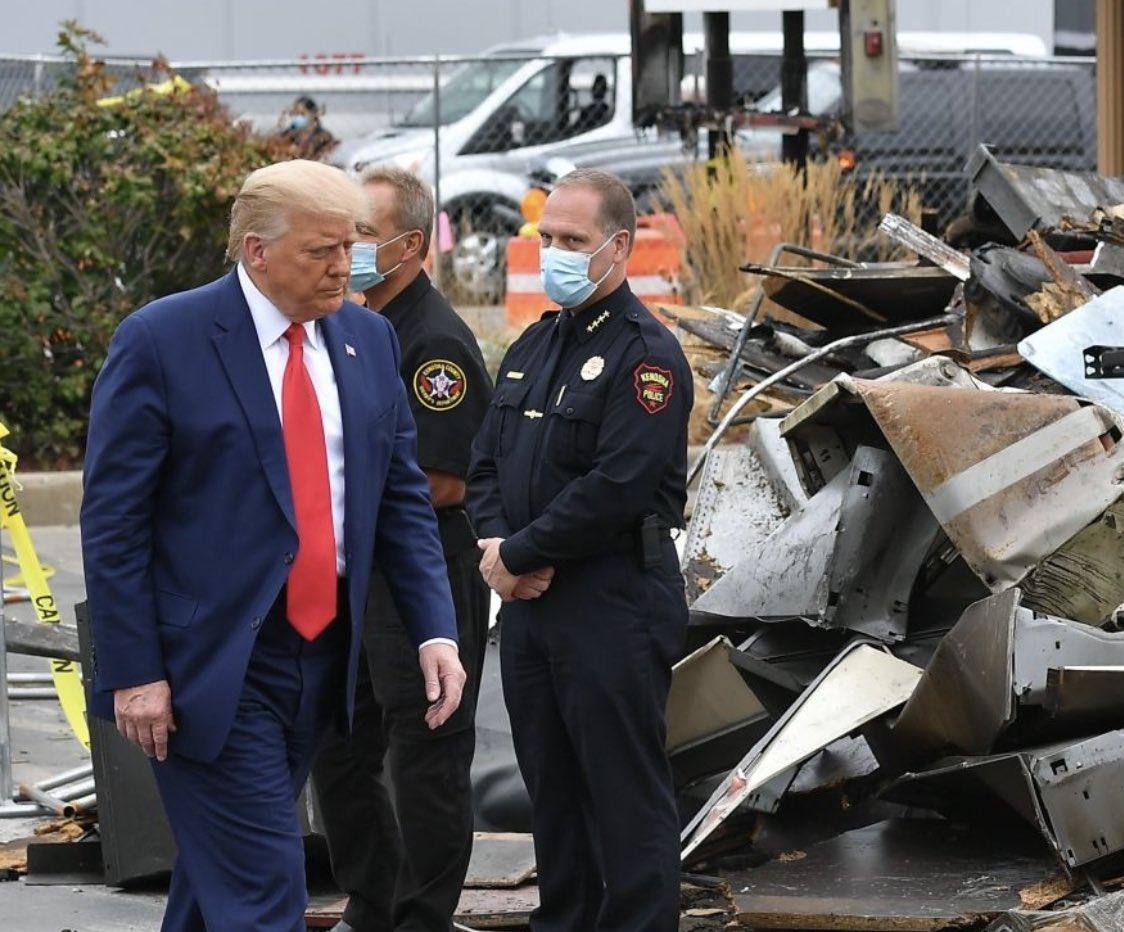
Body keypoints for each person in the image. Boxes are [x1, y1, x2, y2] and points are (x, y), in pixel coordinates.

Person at [80, 159, 466, 932]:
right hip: (210, 664)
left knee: (218, 882)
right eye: (322, 251)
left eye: (349, 246)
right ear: (257, 250)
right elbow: (114, 521)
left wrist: (435, 627)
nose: (343, 267)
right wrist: (134, 672)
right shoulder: (163, 340)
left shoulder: (367, 339)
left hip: (323, 659)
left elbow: (399, 501)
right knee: (263, 892)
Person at [466, 167, 692, 932]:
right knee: (553, 795)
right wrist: (500, 548)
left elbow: (618, 485)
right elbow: (484, 465)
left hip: (612, 599)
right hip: (532, 605)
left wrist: (518, 554)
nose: (555, 253)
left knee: (624, 796)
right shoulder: (534, 345)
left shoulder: (645, 356)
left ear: (618, 247)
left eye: (573, 240)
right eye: (548, 238)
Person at [310, 165, 492, 932]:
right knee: (339, 741)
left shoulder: (433, 342)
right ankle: (373, 901)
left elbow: (446, 480)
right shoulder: (351, 330)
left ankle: (422, 916)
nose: (345, 250)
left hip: (423, 567)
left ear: (410, 245)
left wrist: (339, 493)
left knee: (425, 749)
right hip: (356, 571)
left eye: (362, 235)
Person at [280, 95, 338, 161]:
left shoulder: (324, 137)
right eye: (296, 113)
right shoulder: (287, 135)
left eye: (302, 114)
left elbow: (328, 157)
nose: (298, 117)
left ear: (313, 114)